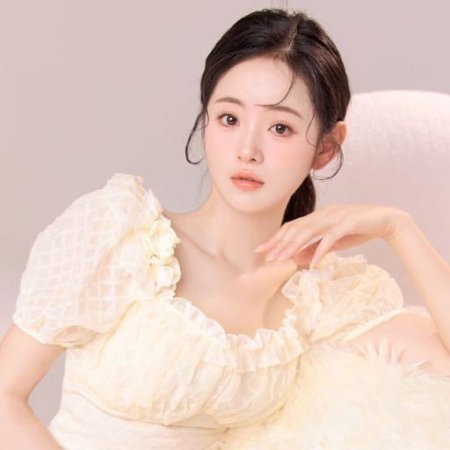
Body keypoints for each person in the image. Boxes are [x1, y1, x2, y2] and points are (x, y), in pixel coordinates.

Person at [1, 7, 449, 450]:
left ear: (326, 148)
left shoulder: (318, 294)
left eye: (280, 128)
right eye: (230, 119)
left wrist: (398, 227)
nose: (247, 150)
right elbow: (6, 397)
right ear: (206, 123)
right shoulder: (123, 236)